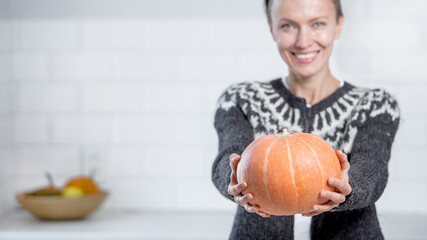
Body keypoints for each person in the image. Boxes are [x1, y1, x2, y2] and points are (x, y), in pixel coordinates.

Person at [211, 0, 400, 239]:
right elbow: (227, 157)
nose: (303, 41)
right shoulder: (239, 99)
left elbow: (373, 167)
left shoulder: (375, 104)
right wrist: (233, 180)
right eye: (288, 26)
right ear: (272, 29)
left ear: (339, 24)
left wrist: (348, 186)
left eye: (317, 23)